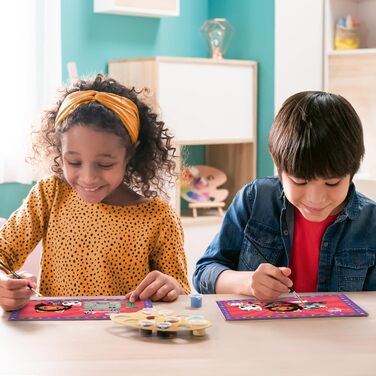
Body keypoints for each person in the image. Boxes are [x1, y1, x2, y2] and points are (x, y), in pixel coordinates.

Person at [0, 74, 190, 311]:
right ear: (60, 151)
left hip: (128, 342)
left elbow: (180, 293)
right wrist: (3, 283)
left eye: (105, 164)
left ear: (131, 154)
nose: (88, 178)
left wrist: (171, 287)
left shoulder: (159, 218)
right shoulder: (49, 194)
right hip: (58, 339)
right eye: (74, 162)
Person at [193, 91, 376, 300]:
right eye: (300, 181)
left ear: (351, 173)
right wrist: (246, 282)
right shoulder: (255, 199)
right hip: (262, 332)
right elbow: (204, 273)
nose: (315, 198)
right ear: (280, 169)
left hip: (341, 333)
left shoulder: (370, 222)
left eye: (332, 182)